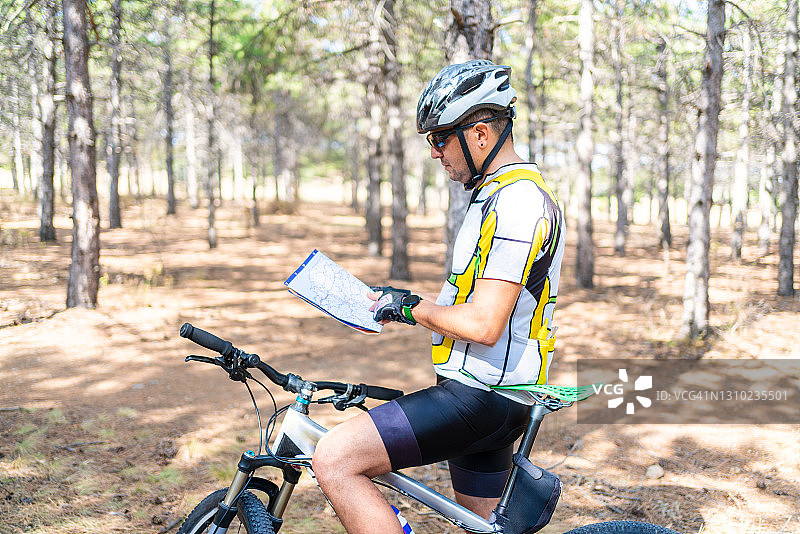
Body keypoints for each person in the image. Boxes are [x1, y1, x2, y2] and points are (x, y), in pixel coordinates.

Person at [312, 59, 565, 534]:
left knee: (335, 457)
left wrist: (409, 306)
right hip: (490, 393)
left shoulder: (518, 202)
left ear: (481, 135)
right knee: (484, 527)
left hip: (481, 397)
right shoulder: (497, 195)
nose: (434, 152)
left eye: (440, 138)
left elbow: (484, 324)